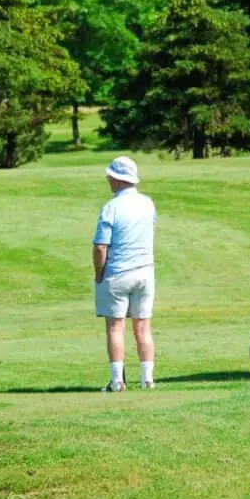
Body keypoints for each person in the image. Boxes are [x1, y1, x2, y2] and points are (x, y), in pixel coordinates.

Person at [92, 156, 157, 392]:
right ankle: (147, 379)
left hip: (118, 273)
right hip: (145, 273)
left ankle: (117, 381)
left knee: (115, 327)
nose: (108, 180)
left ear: (118, 180)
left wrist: (99, 273)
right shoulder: (148, 203)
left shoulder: (111, 207)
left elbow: (101, 247)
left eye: (111, 177)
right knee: (143, 326)